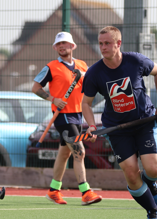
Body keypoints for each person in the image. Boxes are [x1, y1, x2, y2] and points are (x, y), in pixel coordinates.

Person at [81, 26, 157, 219]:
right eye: (101, 43)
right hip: (117, 128)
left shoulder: (135, 61)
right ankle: (152, 210)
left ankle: (150, 182)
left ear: (118, 44)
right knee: (130, 173)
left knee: (153, 170)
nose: (103, 47)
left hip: (144, 122)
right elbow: (86, 104)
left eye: (107, 43)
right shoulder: (94, 72)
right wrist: (92, 126)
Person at [32, 32, 102, 206]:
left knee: (65, 154)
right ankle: (86, 192)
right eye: (58, 44)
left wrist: (91, 124)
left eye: (65, 43)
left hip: (78, 115)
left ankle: (54, 190)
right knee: (80, 151)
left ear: (72, 46)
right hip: (62, 117)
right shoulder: (51, 67)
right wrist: (53, 99)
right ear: (55, 48)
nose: (62, 46)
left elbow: (89, 91)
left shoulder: (83, 66)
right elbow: (35, 87)